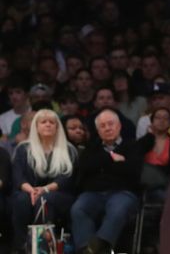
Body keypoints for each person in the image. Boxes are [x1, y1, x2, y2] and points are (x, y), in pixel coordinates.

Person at [71, 108, 142, 254]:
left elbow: (133, 171)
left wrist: (101, 166)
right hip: (93, 193)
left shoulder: (132, 145)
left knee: (117, 209)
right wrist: (112, 159)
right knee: (78, 209)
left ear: (119, 126)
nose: (107, 128)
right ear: (97, 131)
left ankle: (98, 247)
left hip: (123, 193)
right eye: (102, 126)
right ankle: (85, 248)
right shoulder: (91, 147)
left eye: (110, 124)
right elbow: (85, 167)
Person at [11, 109, 78, 253]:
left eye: (52, 122)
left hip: (59, 194)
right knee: (20, 200)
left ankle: (40, 248)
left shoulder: (69, 150)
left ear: (57, 127)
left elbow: (67, 177)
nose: (48, 125)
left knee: (44, 199)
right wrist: (31, 189)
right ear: (36, 127)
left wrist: (44, 189)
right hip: (28, 191)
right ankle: (21, 246)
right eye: (43, 122)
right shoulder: (23, 148)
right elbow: (17, 175)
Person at [137, 107, 170, 201]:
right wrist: (149, 136)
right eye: (158, 118)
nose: (162, 121)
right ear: (152, 121)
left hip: (169, 183)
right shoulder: (143, 141)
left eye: (166, 118)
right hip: (146, 185)